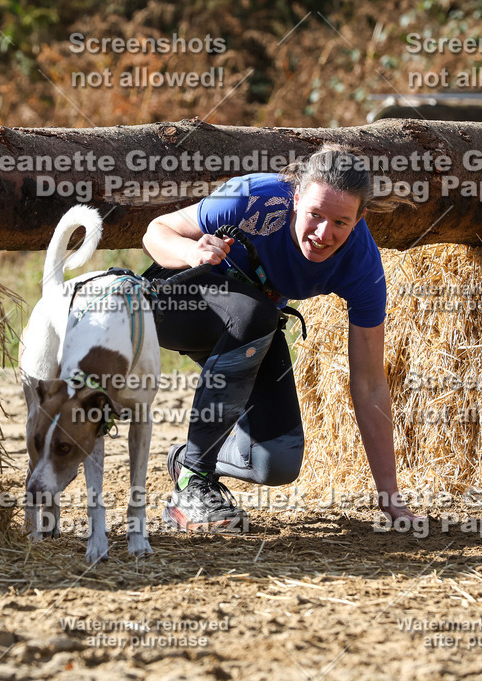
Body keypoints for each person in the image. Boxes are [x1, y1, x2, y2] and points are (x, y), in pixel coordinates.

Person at [141, 144, 422, 531]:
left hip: (250, 329)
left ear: (360, 218)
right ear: (295, 199)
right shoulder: (255, 199)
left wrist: (389, 497)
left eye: (340, 222)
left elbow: (370, 384)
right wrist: (192, 251)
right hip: (174, 304)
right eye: (315, 215)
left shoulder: (362, 264)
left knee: (276, 460)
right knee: (258, 313)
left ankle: (187, 458)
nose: (323, 234)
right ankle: (192, 487)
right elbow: (156, 232)